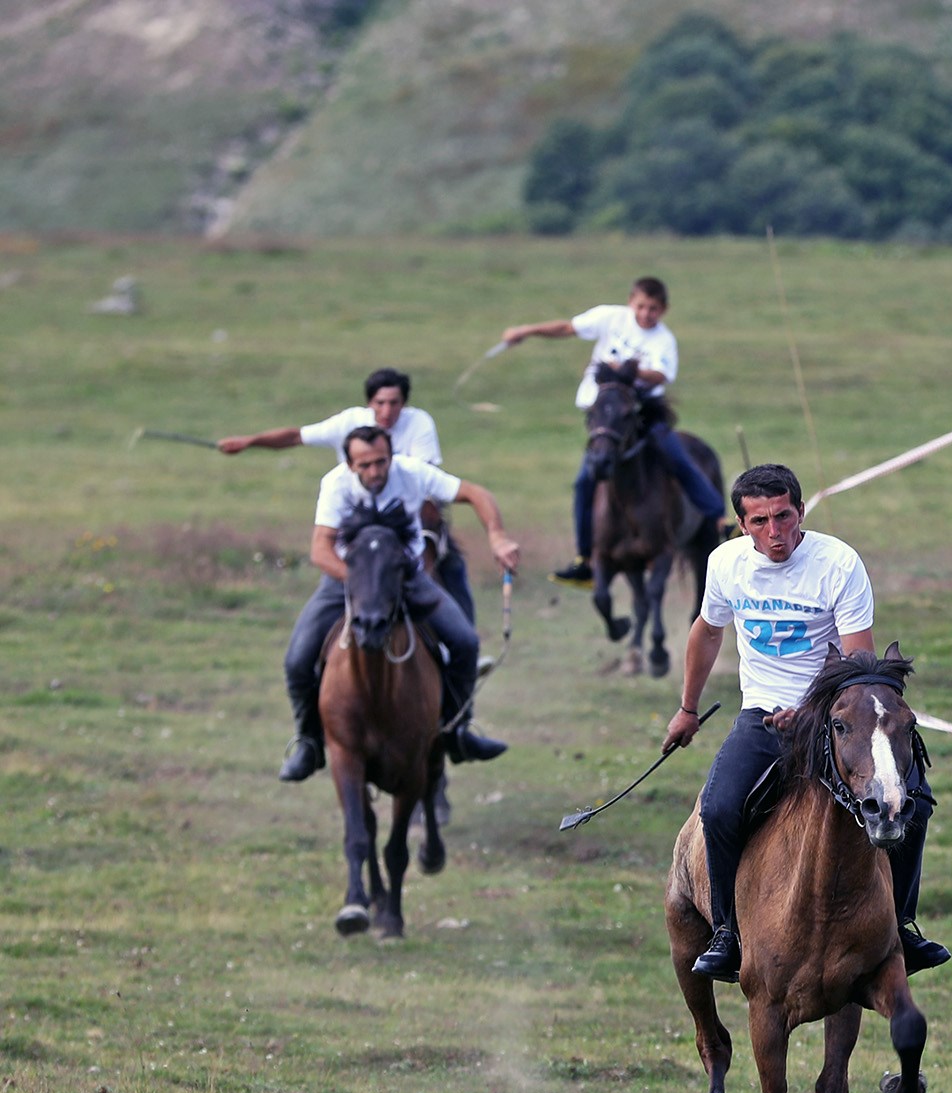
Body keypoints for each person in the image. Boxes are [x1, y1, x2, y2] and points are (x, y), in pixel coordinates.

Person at [660, 463, 949, 984]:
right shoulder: (726, 565)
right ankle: (727, 932)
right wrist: (686, 708)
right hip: (762, 715)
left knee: (915, 802)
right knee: (720, 807)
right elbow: (706, 632)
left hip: (834, 716)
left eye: (784, 516)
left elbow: (858, 667)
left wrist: (813, 712)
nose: (775, 532)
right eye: (760, 521)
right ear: (741, 524)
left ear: (800, 512)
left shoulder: (838, 563)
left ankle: (902, 925)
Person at [278, 426, 520, 782]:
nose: (376, 472)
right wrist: (365, 584)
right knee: (297, 659)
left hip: (406, 578)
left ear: (391, 457)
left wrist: (497, 536)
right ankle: (310, 744)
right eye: (365, 465)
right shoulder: (335, 485)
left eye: (381, 462)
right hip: (347, 579)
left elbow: (475, 493)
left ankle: (457, 731)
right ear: (350, 465)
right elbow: (320, 550)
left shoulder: (411, 473)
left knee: (465, 642)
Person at [498, 277, 729, 586]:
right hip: (608, 417)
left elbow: (660, 375)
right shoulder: (610, 317)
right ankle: (584, 558)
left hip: (643, 413)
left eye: (654, 309)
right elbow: (567, 328)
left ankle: (719, 519)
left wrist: (629, 371)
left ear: (664, 310)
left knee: (678, 457)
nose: (647, 314)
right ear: (631, 301)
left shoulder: (663, 340)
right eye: (642, 306)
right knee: (584, 482)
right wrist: (525, 331)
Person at [218, 368, 473, 623]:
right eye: (380, 403)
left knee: (449, 562)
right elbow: (297, 436)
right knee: (299, 656)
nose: (386, 411)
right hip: (355, 528)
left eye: (394, 403)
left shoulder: (418, 426)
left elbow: (424, 482)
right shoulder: (344, 440)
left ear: (404, 403)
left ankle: (466, 630)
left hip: (407, 519)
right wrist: (249, 441)